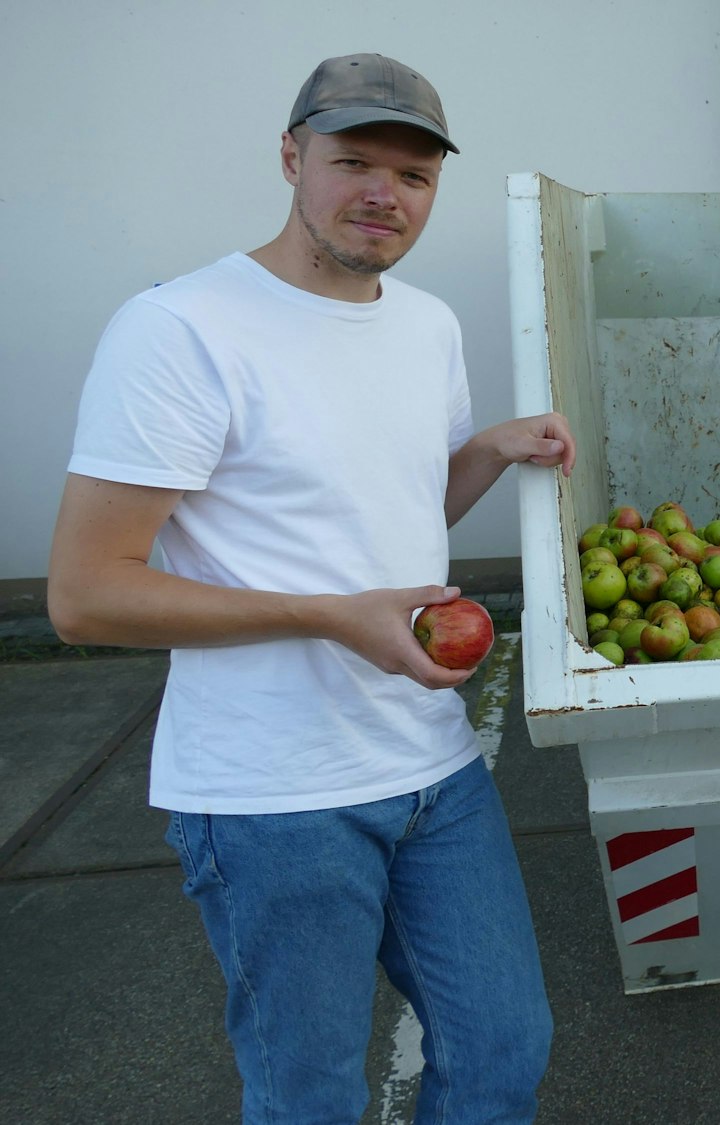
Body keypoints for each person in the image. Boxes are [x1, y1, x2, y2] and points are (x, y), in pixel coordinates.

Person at [48, 53, 570, 1123]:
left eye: (414, 175)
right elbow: (86, 595)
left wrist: (489, 450)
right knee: (310, 1096)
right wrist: (330, 618)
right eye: (354, 161)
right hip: (271, 800)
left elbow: (397, 507)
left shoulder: (424, 325)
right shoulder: (181, 330)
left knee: (502, 1050)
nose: (384, 193)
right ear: (292, 159)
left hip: (431, 764)